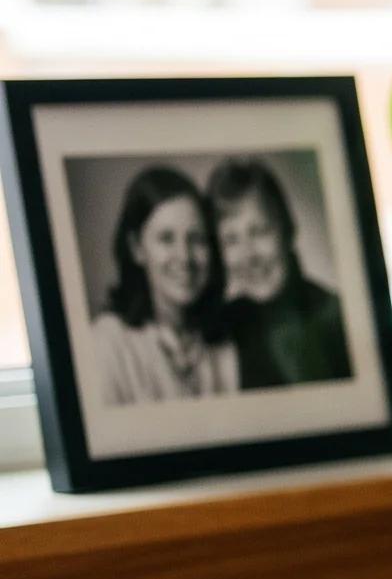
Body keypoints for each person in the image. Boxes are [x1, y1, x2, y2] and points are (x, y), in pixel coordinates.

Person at [91, 164, 236, 404]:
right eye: (166, 239)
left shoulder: (222, 345)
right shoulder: (107, 344)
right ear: (137, 248)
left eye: (196, 239)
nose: (185, 257)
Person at [207, 157, 351, 389]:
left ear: (287, 229)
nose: (249, 255)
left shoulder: (335, 317)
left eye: (260, 231)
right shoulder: (220, 330)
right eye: (231, 240)